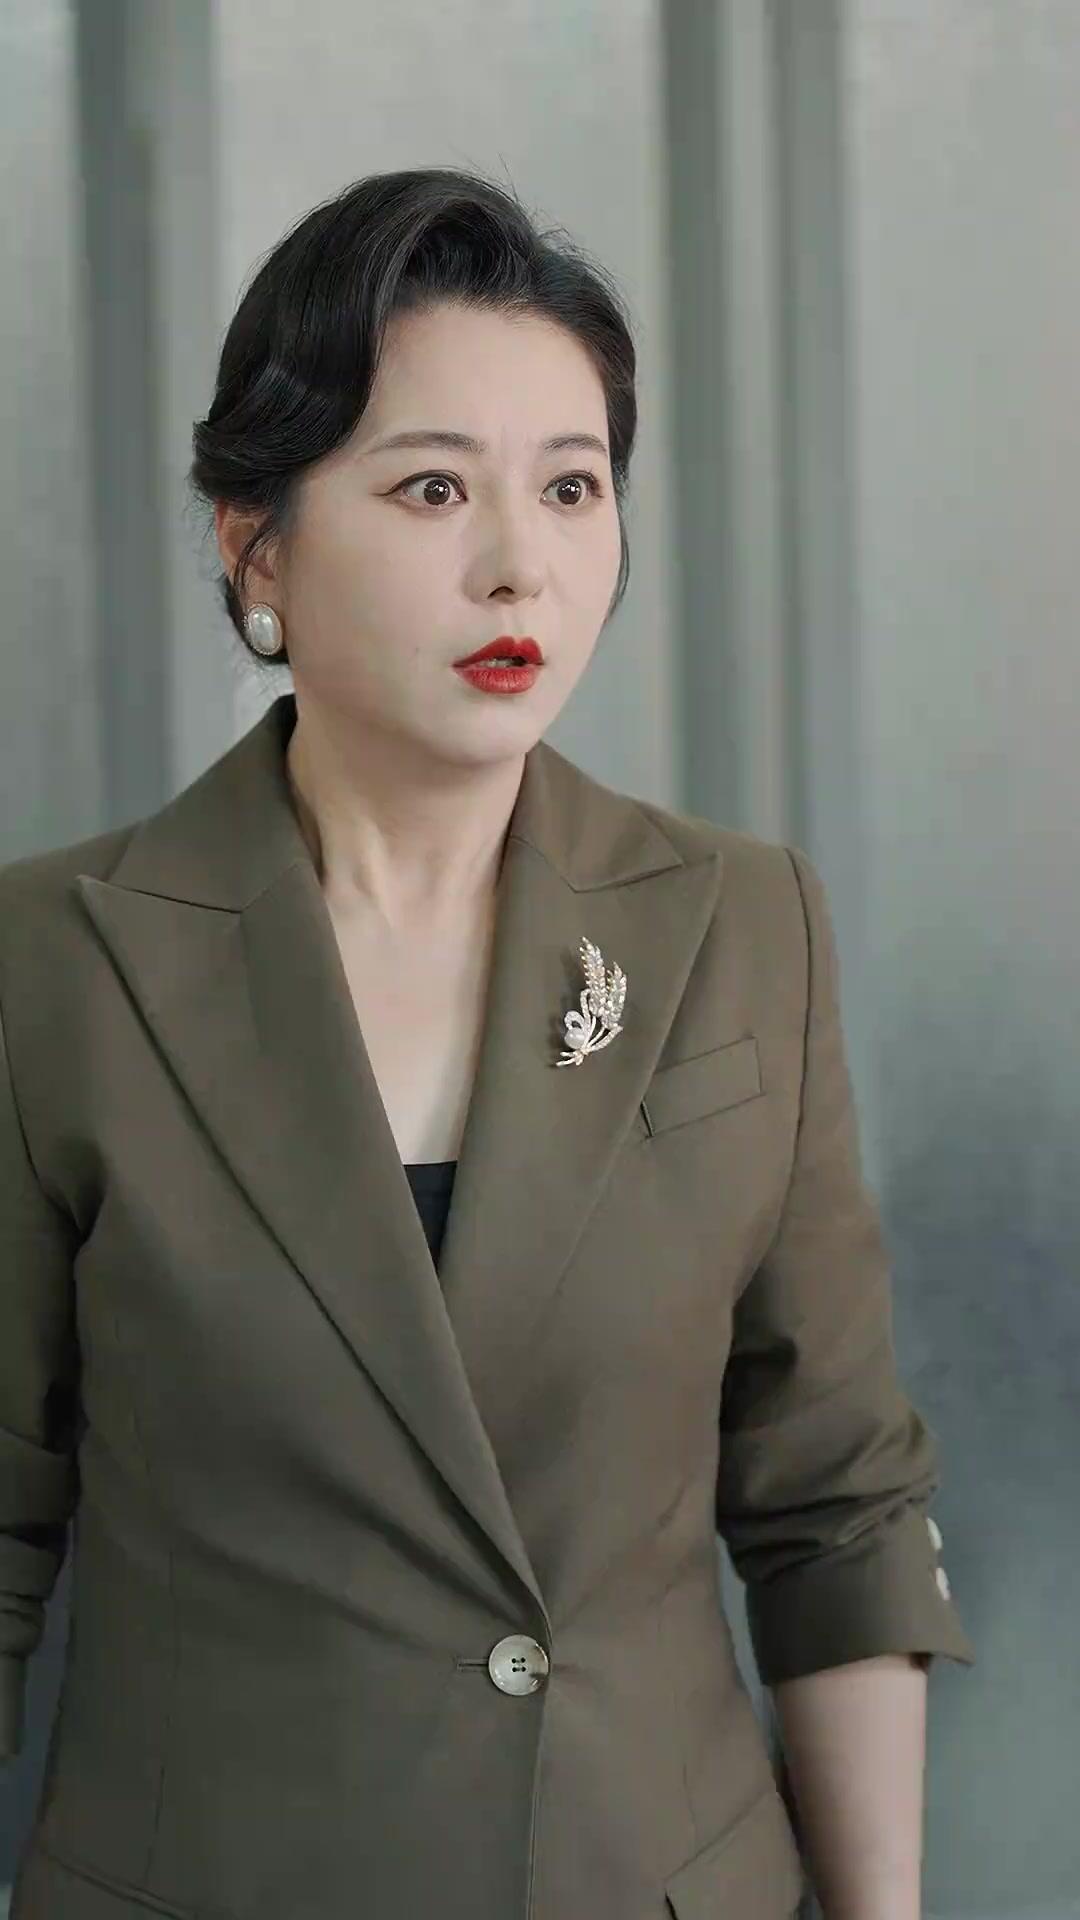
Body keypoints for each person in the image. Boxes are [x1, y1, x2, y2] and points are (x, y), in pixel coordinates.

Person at [0, 166, 974, 1920]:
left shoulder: (742, 927)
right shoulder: (55, 960)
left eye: (573, 487)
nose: (521, 562)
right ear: (255, 543)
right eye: (433, 487)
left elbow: (834, 1510)